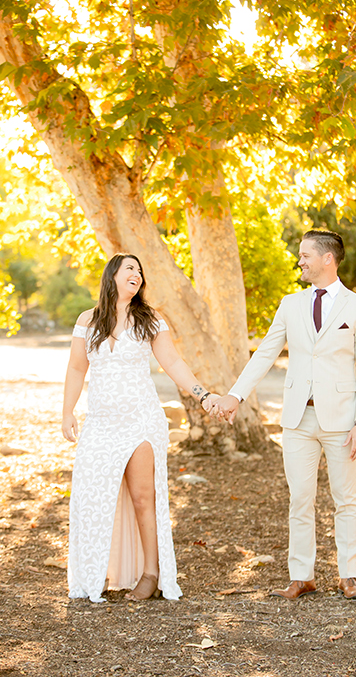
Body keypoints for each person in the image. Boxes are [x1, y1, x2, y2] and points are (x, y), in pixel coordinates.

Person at [213, 230, 356, 600]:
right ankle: (301, 576)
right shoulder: (290, 304)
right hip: (297, 420)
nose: (300, 260)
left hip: (343, 421)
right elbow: (265, 354)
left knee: (345, 498)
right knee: (300, 499)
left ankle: (348, 575)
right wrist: (236, 395)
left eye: (306, 255)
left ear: (327, 259)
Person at [62, 253, 218, 603]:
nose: (137, 273)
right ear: (112, 274)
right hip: (100, 422)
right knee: (93, 497)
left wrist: (203, 395)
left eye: (140, 270)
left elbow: (173, 362)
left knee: (143, 497)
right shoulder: (88, 321)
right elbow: (75, 369)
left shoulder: (150, 319)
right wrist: (67, 412)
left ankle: (151, 573)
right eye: (130, 268)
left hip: (141, 420)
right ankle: (95, 572)